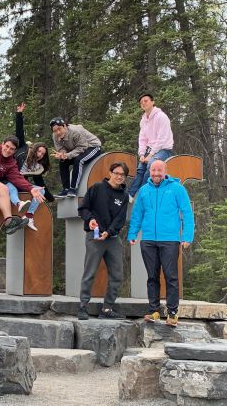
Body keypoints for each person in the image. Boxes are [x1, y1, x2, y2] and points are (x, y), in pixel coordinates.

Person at [128, 160, 194, 327]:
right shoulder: (143, 190)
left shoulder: (177, 188)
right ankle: (154, 310)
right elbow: (137, 214)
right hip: (148, 240)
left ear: (165, 171)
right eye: (153, 170)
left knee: (171, 276)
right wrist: (133, 233)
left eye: (159, 170)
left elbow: (187, 212)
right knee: (152, 276)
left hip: (170, 239)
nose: (156, 174)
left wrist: (187, 236)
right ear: (149, 171)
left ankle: (172, 313)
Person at [77, 162, 130, 320]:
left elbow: (120, 219)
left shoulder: (124, 195)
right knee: (90, 273)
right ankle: (83, 307)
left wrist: (109, 232)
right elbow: (83, 209)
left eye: (122, 174)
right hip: (94, 238)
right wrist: (91, 219)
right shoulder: (96, 188)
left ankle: (107, 308)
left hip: (112, 239)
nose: (119, 176)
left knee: (117, 275)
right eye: (117, 173)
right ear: (110, 172)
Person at [6, 102, 53, 231]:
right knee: (11, 188)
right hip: (9, 180)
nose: (40, 155)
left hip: (22, 184)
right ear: (35, 149)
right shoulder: (23, 149)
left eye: (43, 154)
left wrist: (50, 198)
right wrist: (19, 114)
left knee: (40, 190)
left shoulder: (37, 166)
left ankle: (28, 216)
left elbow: (39, 181)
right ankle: (18, 203)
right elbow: (19, 132)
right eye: (39, 151)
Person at [128, 93, 174, 202]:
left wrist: (150, 155)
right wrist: (142, 154)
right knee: (140, 169)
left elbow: (162, 139)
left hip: (164, 149)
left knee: (151, 165)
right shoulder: (143, 120)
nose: (143, 103)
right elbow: (142, 139)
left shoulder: (161, 116)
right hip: (149, 150)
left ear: (152, 102)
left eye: (146, 101)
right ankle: (130, 195)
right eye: (141, 102)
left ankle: (144, 193)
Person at [50, 118, 102, 198]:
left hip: (91, 147)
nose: (58, 132)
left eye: (59, 129)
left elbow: (82, 147)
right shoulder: (55, 136)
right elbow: (61, 148)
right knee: (62, 161)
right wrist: (62, 154)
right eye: (55, 131)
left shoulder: (75, 131)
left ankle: (73, 189)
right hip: (76, 149)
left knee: (79, 160)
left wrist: (67, 155)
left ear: (64, 126)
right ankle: (66, 189)